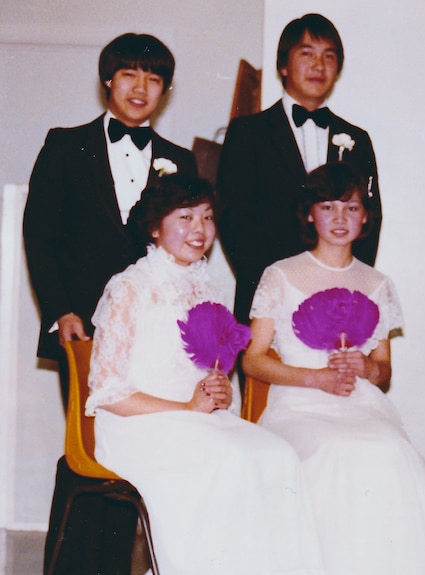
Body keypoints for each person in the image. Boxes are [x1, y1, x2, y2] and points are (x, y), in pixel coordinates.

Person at [86, 174, 323, 575]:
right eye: (185, 217)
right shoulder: (130, 286)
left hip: (198, 420)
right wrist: (185, 407)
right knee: (229, 462)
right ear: (155, 227)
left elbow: (209, 376)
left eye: (207, 217)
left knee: (278, 456)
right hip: (138, 424)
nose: (199, 229)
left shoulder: (208, 287)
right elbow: (109, 392)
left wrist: (218, 395)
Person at [22, 32, 197, 574]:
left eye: (152, 78)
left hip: (149, 338)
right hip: (83, 329)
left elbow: (185, 250)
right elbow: (40, 234)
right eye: (129, 74)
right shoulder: (63, 143)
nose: (140, 87)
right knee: (91, 448)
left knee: (135, 452)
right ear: (107, 81)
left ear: (164, 89)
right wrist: (60, 310)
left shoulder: (179, 159)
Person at [242, 163, 425, 575]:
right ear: (309, 214)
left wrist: (367, 366)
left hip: (361, 405)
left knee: (395, 455)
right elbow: (253, 359)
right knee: (334, 455)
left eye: (350, 208)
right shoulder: (280, 274)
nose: (339, 219)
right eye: (327, 207)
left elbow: (385, 372)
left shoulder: (377, 282)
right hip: (299, 404)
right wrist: (313, 378)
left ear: (365, 216)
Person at [218, 13, 381, 324]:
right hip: (267, 298)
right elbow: (233, 219)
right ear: (283, 65)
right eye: (307, 54)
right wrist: (279, 284)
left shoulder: (357, 139)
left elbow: (370, 217)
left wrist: (347, 285)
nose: (318, 66)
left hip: (339, 302)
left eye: (328, 56)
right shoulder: (247, 132)